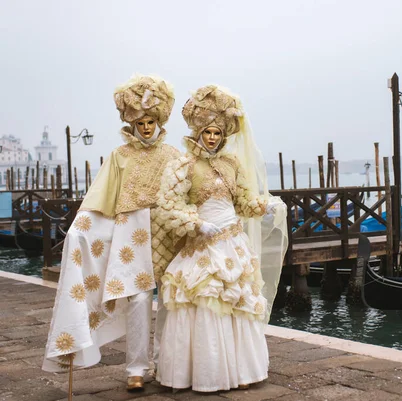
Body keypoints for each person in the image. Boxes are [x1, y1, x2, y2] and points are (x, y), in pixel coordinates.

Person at [42, 74, 180, 392]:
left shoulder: (174, 156)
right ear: (132, 123)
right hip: (132, 233)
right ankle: (137, 368)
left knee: (172, 297)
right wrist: (80, 229)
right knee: (138, 297)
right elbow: (101, 196)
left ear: (159, 120)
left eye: (151, 121)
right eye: (140, 122)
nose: (146, 127)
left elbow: (187, 193)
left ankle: (168, 364)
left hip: (169, 231)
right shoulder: (120, 157)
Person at [153, 85, 287, 392]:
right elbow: (166, 205)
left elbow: (243, 202)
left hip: (233, 242)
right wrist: (196, 224)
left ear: (223, 135)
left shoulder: (232, 164)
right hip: (202, 244)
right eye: (208, 132)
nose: (212, 137)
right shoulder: (183, 165)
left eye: (217, 132)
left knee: (236, 301)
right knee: (203, 300)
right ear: (199, 132)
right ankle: (203, 373)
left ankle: (240, 371)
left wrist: (268, 205)